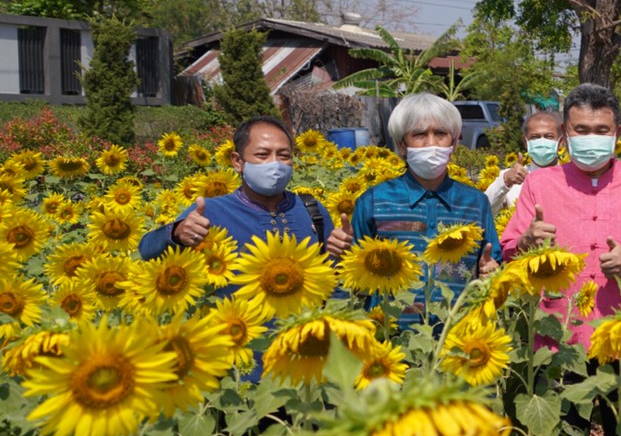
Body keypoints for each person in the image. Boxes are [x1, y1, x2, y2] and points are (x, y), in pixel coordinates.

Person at [501, 84, 621, 349]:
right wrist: (526, 242)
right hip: (559, 340)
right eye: (581, 130)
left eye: (601, 130)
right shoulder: (539, 185)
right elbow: (509, 248)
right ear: (566, 133)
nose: (591, 138)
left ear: (617, 133)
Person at [326, 93, 500, 322]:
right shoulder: (374, 201)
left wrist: (492, 271)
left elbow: (492, 263)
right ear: (401, 145)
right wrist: (341, 253)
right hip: (391, 340)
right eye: (419, 134)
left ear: (454, 143)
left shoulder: (475, 202)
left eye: (440, 133)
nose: (431, 143)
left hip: (458, 338)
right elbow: (349, 277)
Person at [141, 115, 334, 263]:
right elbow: (146, 252)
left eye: (284, 155)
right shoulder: (211, 212)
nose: (275, 164)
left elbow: (332, 278)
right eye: (262, 154)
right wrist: (176, 233)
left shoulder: (311, 209)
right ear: (237, 161)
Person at [485, 110, 564, 215]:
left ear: (561, 142)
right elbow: (482, 211)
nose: (542, 142)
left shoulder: (571, 179)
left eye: (548, 136)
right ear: (525, 142)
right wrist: (505, 182)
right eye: (535, 137)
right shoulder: (512, 178)